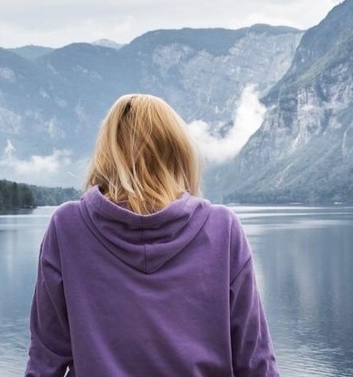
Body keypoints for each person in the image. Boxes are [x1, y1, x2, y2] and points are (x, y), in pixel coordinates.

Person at [25, 94, 278, 376]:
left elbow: (46, 359)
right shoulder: (223, 228)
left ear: (107, 154)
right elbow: (255, 362)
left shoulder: (67, 227)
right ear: (178, 151)